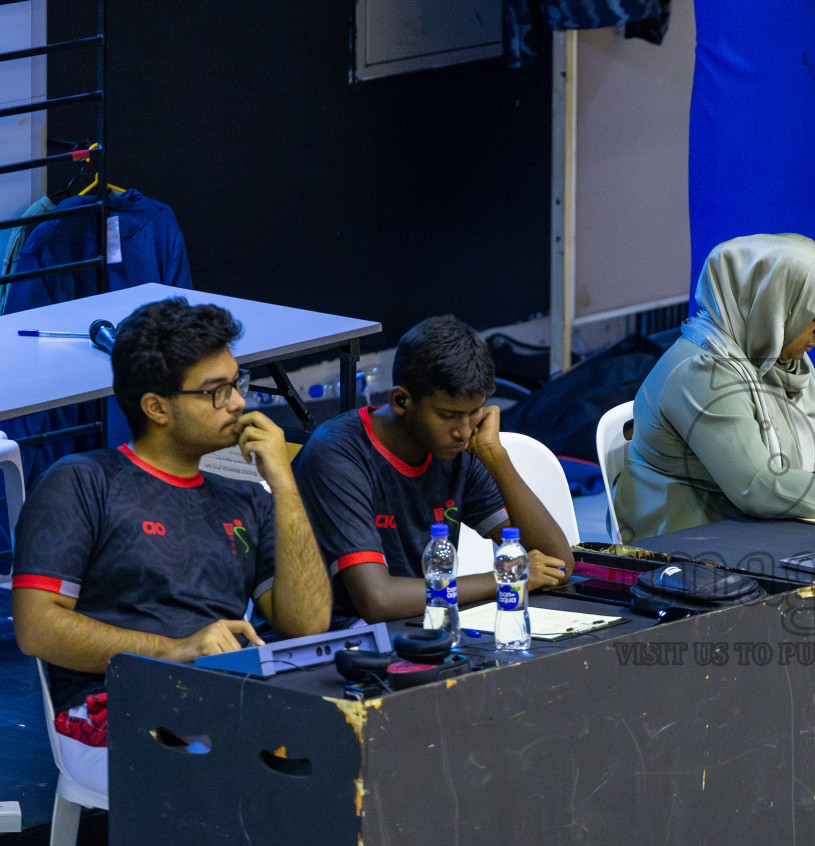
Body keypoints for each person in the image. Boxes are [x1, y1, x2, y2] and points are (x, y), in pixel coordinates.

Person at [11, 298, 332, 794]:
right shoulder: (82, 481)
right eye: (216, 393)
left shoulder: (248, 499)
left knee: (348, 751)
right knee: (251, 771)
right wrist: (178, 651)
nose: (239, 403)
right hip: (113, 706)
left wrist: (284, 484)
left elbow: (308, 623)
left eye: (237, 383)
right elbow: (36, 628)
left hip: (224, 701)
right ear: (156, 407)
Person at [293, 315, 574, 626]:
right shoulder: (337, 454)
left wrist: (496, 457)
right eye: (448, 415)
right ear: (401, 401)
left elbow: (557, 565)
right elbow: (377, 600)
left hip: (424, 623)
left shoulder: (460, 450)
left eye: (473, 413)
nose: (465, 432)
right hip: (338, 642)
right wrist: (504, 578)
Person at [614, 233, 815, 541]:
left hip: (750, 534)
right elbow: (759, 487)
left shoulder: (774, 355)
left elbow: (782, 435)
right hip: (688, 549)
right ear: (776, 306)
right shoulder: (701, 371)